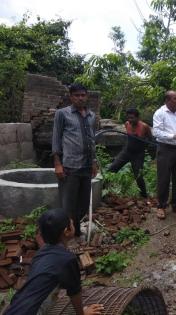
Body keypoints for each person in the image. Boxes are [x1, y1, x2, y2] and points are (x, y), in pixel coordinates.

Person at [4, 208, 104, 315]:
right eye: (72, 224)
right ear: (67, 231)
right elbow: (74, 292)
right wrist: (82, 313)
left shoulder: (40, 254)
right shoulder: (67, 259)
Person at [52, 83, 98, 238]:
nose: (80, 98)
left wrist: (94, 162)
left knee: (83, 204)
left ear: (87, 96)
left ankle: (77, 231)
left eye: (83, 95)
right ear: (71, 97)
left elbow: (92, 141)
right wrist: (57, 164)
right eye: (76, 95)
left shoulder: (92, 116)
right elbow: (56, 139)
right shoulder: (62, 114)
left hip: (86, 166)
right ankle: (65, 236)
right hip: (69, 167)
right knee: (68, 205)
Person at [152, 90, 176, 219]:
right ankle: (161, 206)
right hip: (165, 149)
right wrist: (173, 136)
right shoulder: (160, 113)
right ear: (168, 100)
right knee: (163, 178)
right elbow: (156, 132)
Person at [108, 108, 152, 199]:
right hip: (127, 151)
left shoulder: (144, 127)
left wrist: (144, 146)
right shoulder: (127, 124)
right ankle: (104, 191)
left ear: (138, 117)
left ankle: (144, 196)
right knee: (112, 168)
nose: (130, 120)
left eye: (132, 118)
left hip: (138, 154)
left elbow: (150, 139)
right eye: (128, 118)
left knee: (138, 176)